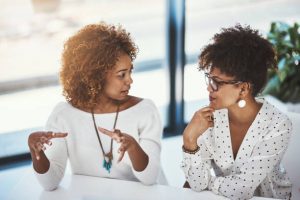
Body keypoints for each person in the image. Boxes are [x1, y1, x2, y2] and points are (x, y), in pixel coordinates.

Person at [28, 22, 163, 191]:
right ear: (96, 76)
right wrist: (37, 153)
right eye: (122, 75)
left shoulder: (145, 110)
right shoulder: (63, 115)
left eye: (130, 71)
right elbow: (50, 183)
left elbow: (150, 178)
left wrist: (133, 146)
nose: (130, 80)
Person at [181, 24, 292, 199]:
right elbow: (196, 183)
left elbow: (241, 190)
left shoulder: (278, 125)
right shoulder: (207, 120)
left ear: (243, 89)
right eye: (209, 79)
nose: (209, 88)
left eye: (217, 82)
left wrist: (207, 183)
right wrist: (189, 139)